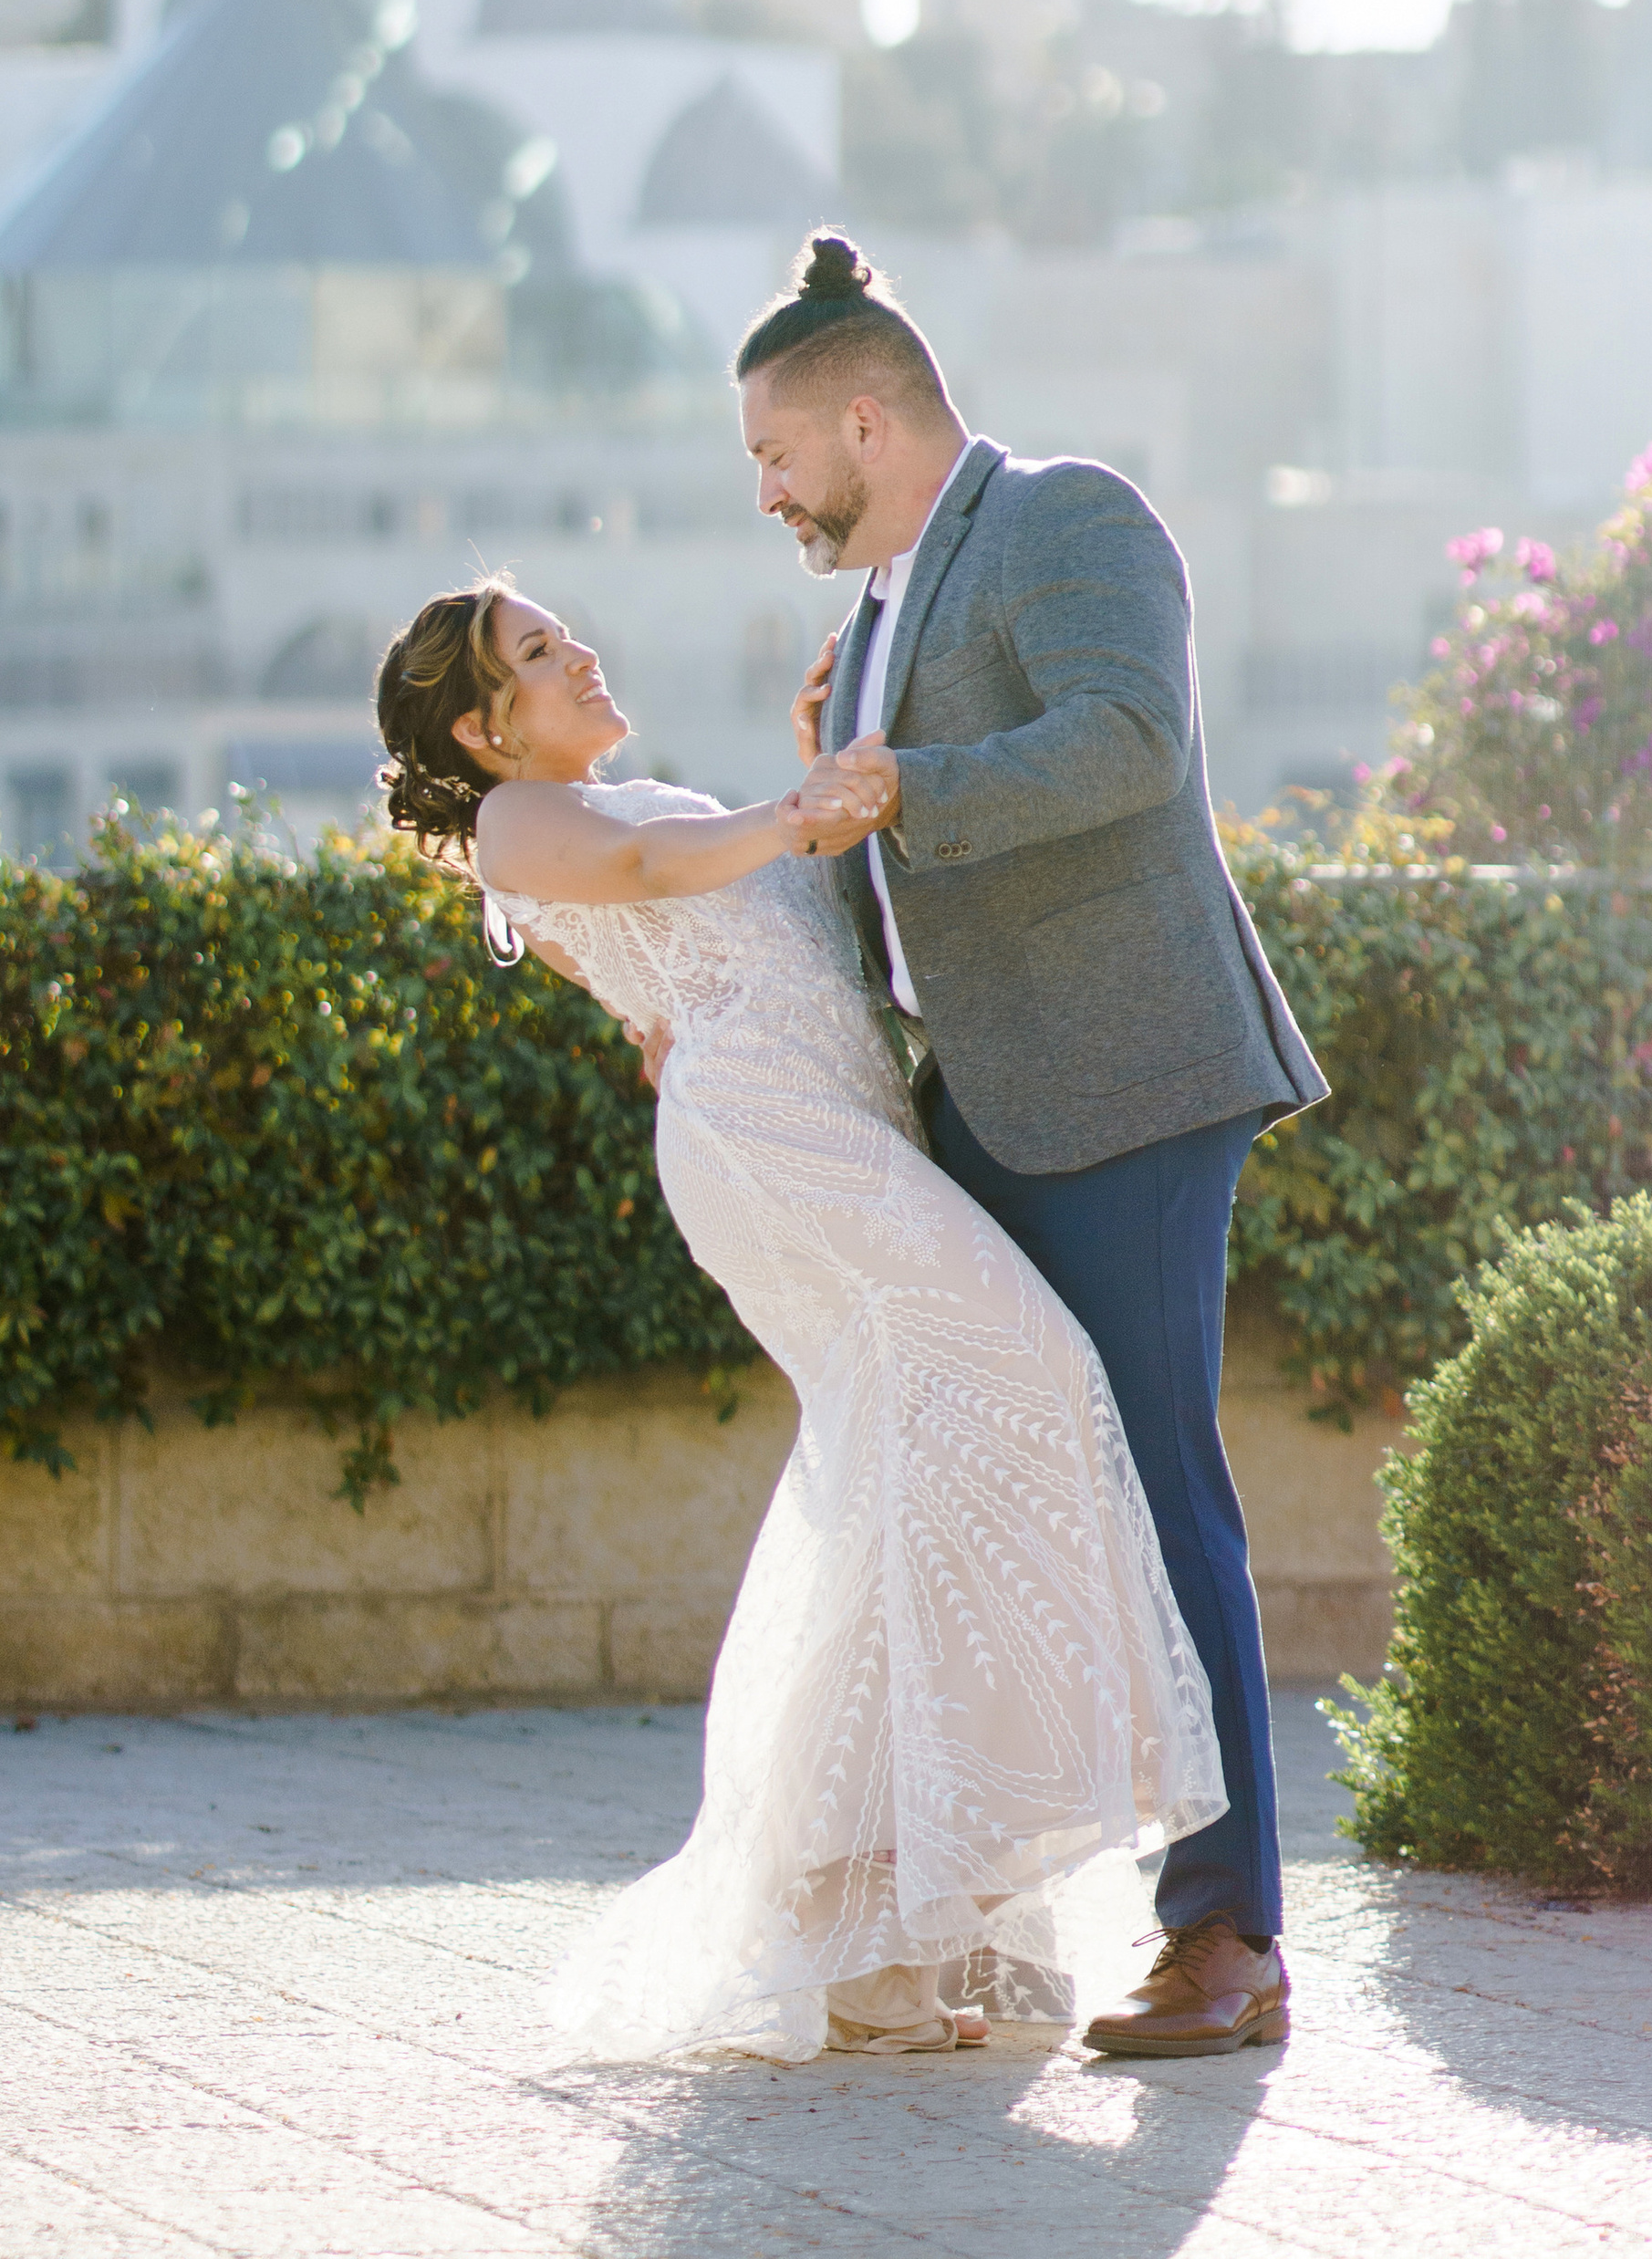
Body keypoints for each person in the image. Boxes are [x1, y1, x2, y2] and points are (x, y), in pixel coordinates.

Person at [373, 579, 1224, 2066]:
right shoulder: (521, 827)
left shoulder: (630, 804)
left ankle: (879, 1913)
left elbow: (681, 956)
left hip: (834, 1125)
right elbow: (640, 873)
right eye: (537, 652)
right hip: (781, 1154)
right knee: (1024, 1377)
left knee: (917, 1470)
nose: (580, 651)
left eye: (570, 631)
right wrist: (799, 806)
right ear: (480, 726)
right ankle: (861, 1900)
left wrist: (803, 782)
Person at [741, 232, 1331, 2062]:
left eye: (774, 457)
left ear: (864, 414)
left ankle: (1226, 1938)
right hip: (979, 1112)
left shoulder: (1068, 518)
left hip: (1126, 1095)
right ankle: (998, 1913)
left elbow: (1128, 744)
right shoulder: (868, 621)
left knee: (1161, 1498)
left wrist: (904, 778)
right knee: (999, 1523)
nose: (764, 496)